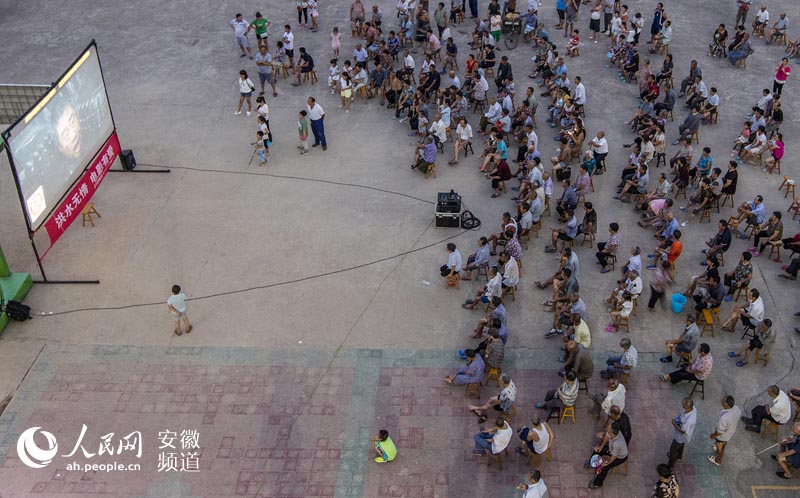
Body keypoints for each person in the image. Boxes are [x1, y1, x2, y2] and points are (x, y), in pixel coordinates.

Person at [589, 422, 628, 489]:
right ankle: (591, 462)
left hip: (619, 457)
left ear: (612, 433)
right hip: (612, 449)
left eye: (608, 428)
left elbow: (614, 456)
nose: (607, 428)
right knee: (598, 450)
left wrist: (607, 462)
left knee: (604, 468)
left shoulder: (617, 443)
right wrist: (601, 447)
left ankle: (597, 483)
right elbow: (607, 436)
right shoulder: (613, 433)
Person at [667, 398, 697, 469]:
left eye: (683, 404)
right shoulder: (693, 409)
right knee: (681, 445)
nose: (682, 405)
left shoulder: (689, 421)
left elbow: (682, 431)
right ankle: (679, 457)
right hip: (684, 437)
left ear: (687, 406)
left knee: (673, 449)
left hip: (680, 436)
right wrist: (679, 417)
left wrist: (674, 424)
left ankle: (670, 466)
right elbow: (682, 414)